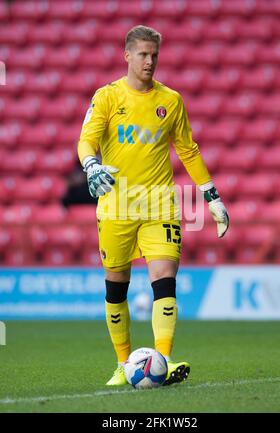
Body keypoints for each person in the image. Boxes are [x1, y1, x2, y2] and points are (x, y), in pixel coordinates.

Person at [77, 25, 229, 386]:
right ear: (126, 55)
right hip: (117, 206)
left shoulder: (171, 100)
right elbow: (86, 140)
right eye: (143, 55)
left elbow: (188, 150)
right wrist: (91, 164)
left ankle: (164, 357)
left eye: (154, 55)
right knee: (117, 287)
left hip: (160, 204)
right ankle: (121, 364)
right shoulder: (108, 97)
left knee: (165, 280)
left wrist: (211, 195)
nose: (150, 62)